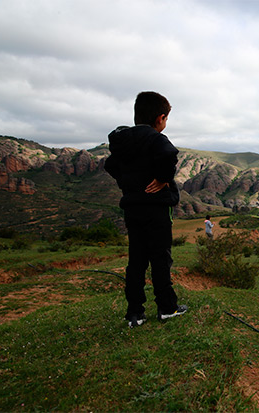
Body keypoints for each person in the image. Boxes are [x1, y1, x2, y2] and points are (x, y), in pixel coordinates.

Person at [105, 91, 187, 328]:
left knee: (136, 261)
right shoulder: (155, 138)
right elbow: (169, 154)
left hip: (133, 209)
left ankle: (135, 313)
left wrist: (128, 184)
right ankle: (167, 307)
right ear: (161, 118)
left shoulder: (124, 141)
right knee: (161, 259)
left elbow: (110, 164)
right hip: (156, 209)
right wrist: (162, 179)